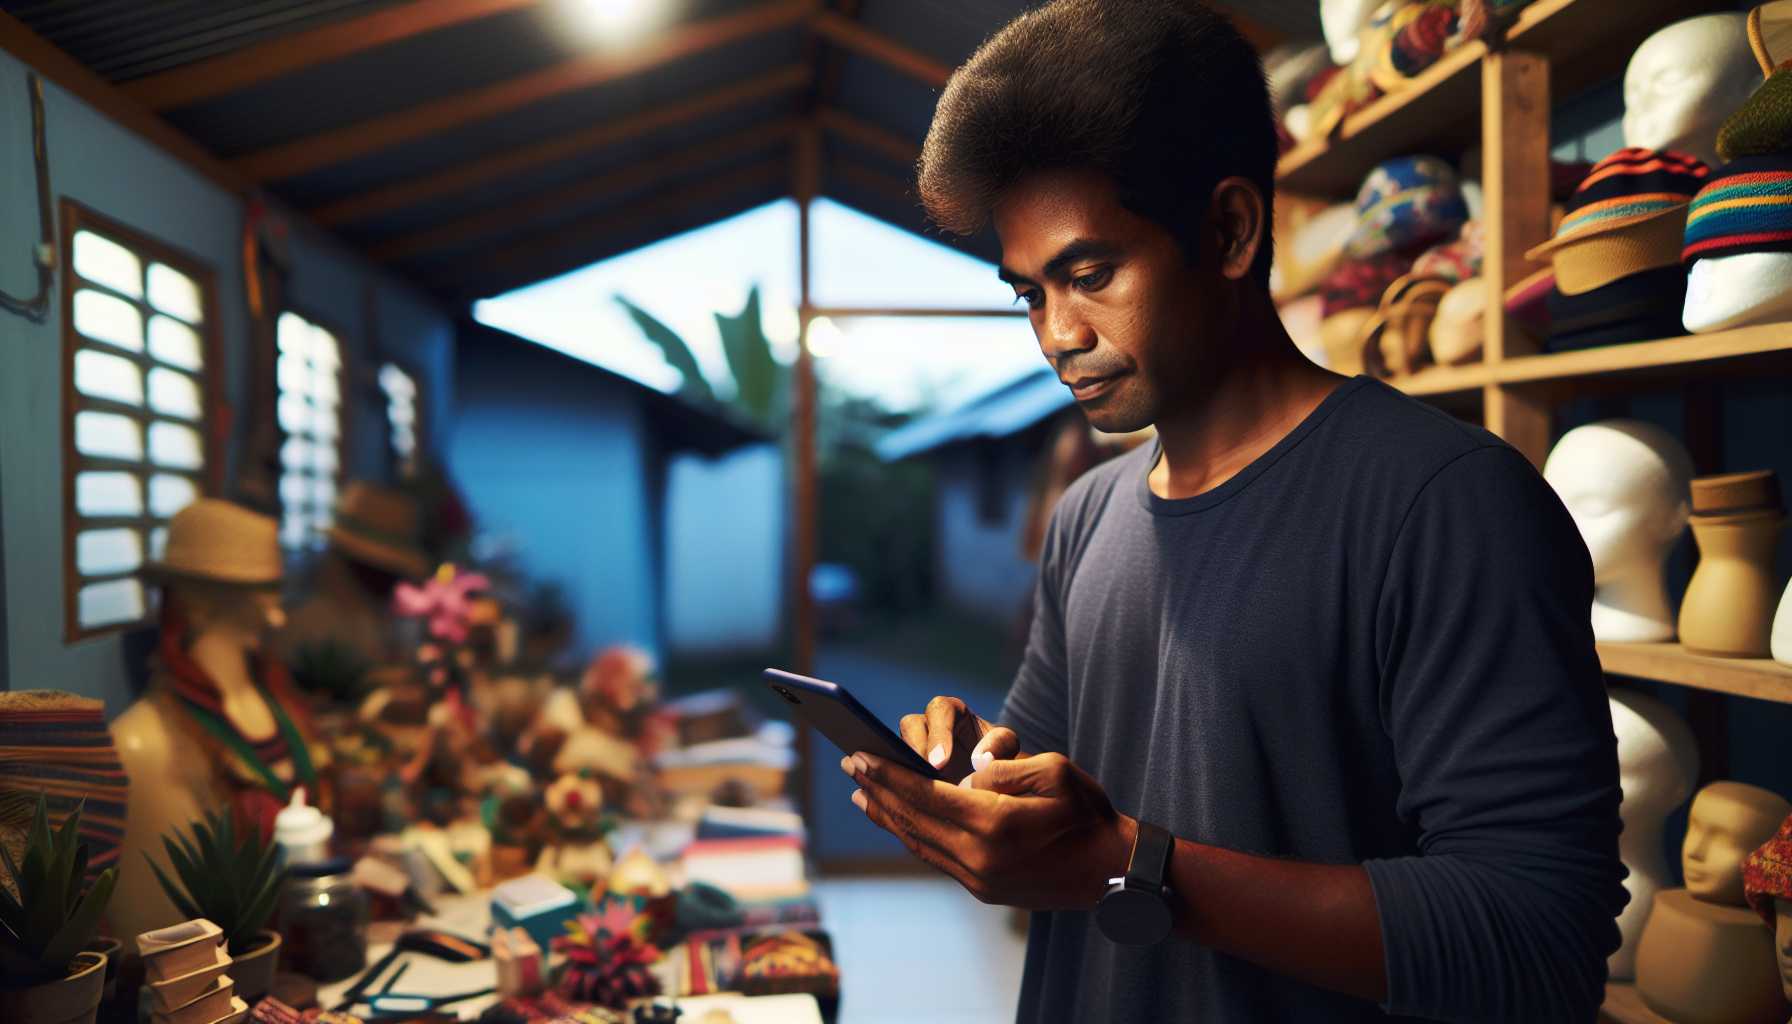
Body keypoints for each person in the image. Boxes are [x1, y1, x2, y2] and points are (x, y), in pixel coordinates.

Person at [839, 2, 1628, 1021]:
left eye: (1090, 273)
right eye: (1029, 294)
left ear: (1228, 229)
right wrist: (968, 779)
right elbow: (1050, 795)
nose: (1058, 334)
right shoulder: (1088, 515)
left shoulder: (1445, 505)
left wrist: (1134, 867)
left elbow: (1539, 938)